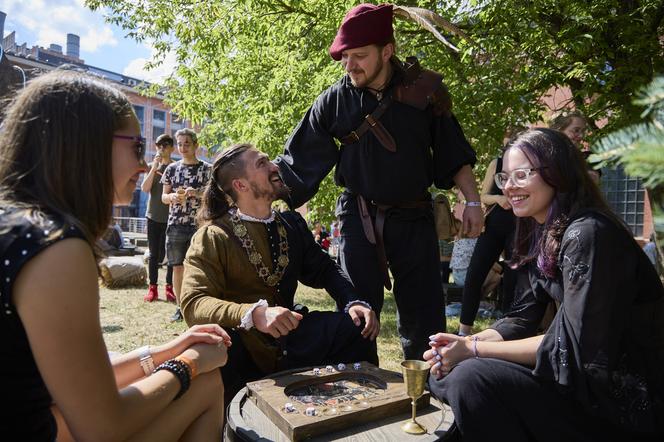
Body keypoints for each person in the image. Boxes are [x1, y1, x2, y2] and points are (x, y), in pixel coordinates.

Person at [0, 71, 231, 441]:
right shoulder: (56, 247)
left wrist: (164, 351)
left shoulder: (19, 228)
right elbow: (103, 427)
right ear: (85, 146)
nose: (144, 165)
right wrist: (188, 363)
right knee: (206, 385)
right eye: (137, 148)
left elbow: (71, 382)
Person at [274, 3, 483, 360]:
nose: (349, 65)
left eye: (359, 56)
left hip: (415, 217)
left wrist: (474, 202)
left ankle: (429, 396)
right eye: (344, 57)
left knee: (426, 320)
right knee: (358, 313)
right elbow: (296, 160)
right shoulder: (335, 100)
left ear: (387, 51)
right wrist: (250, 189)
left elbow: (454, 153)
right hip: (358, 216)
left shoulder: (424, 92)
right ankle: (364, 391)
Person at [425, 129, 664, 441]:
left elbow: (573, 346)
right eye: (505, 177)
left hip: (620, 402)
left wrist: (472, 349)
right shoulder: (541, 232)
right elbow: (523, 316)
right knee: (445, 373)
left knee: (471, 377)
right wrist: (457, 347)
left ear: (557, 173)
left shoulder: (589, 234)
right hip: (578, 384)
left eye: (522, 175)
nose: (509, 187)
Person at [180, 143, 380, 405]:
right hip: (241, 350)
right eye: (262, 164)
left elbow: (324, 269)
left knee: (357, 328)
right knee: (217, 352)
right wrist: (253, 314)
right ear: (240, 185)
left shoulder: (291, 225)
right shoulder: (213, 236)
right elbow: (193, 303)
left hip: (292, 338)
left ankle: (361, 408)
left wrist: (352, 300)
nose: (275, 167)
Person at [457, 128, 522, 336]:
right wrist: (499, 198)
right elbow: (483, 196)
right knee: (475, 274)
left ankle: (506, 329)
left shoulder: (531, 166)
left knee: (513, 279)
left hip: (519, 228)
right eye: (509, 142)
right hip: (494, 226)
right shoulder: (497, 163)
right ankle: (463, 329)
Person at [161, 128, 211, 321]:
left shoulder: (207, 169)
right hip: (176, 224)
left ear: (196, 145)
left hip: (200, 224)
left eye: (186, 144)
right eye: (180, 144)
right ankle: (180, 308)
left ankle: (200, 305)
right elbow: (164, 197)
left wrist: (196, 193)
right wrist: (172, 196)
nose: (182, 147)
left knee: (200, 267)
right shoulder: (171, 169)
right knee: (177, 266)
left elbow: (214, 195)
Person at [141, 133, 175, 302]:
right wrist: (154, 168)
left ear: (171, 148)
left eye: (165, 145)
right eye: (159, 145)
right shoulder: (151, 167)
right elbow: (145, 189)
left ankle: (169, 288)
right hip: (153, 217)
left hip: (171, 218)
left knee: (170, 256)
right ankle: (152, 288)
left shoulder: (176, 168)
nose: (161, 148)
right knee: (154, 255)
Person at [549, 110, 601, 183]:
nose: (581, 135)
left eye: (583, 131)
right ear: (559, 131)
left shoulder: (587, 159)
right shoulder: (542, 158)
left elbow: (589, 186)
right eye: (576, 130)